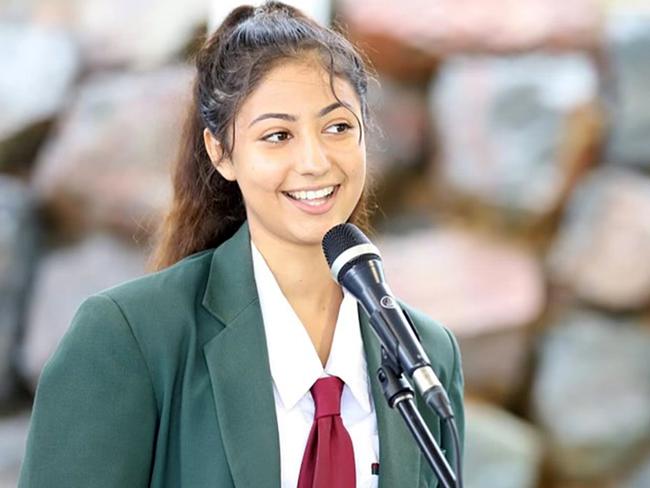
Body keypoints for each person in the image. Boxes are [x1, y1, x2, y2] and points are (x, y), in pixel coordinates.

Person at [18, 2, 464, 487]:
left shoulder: (427, 356)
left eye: (338, 127)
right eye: (278, 135)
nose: (314, 161)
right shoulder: (129, 339)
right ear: (221, 152)